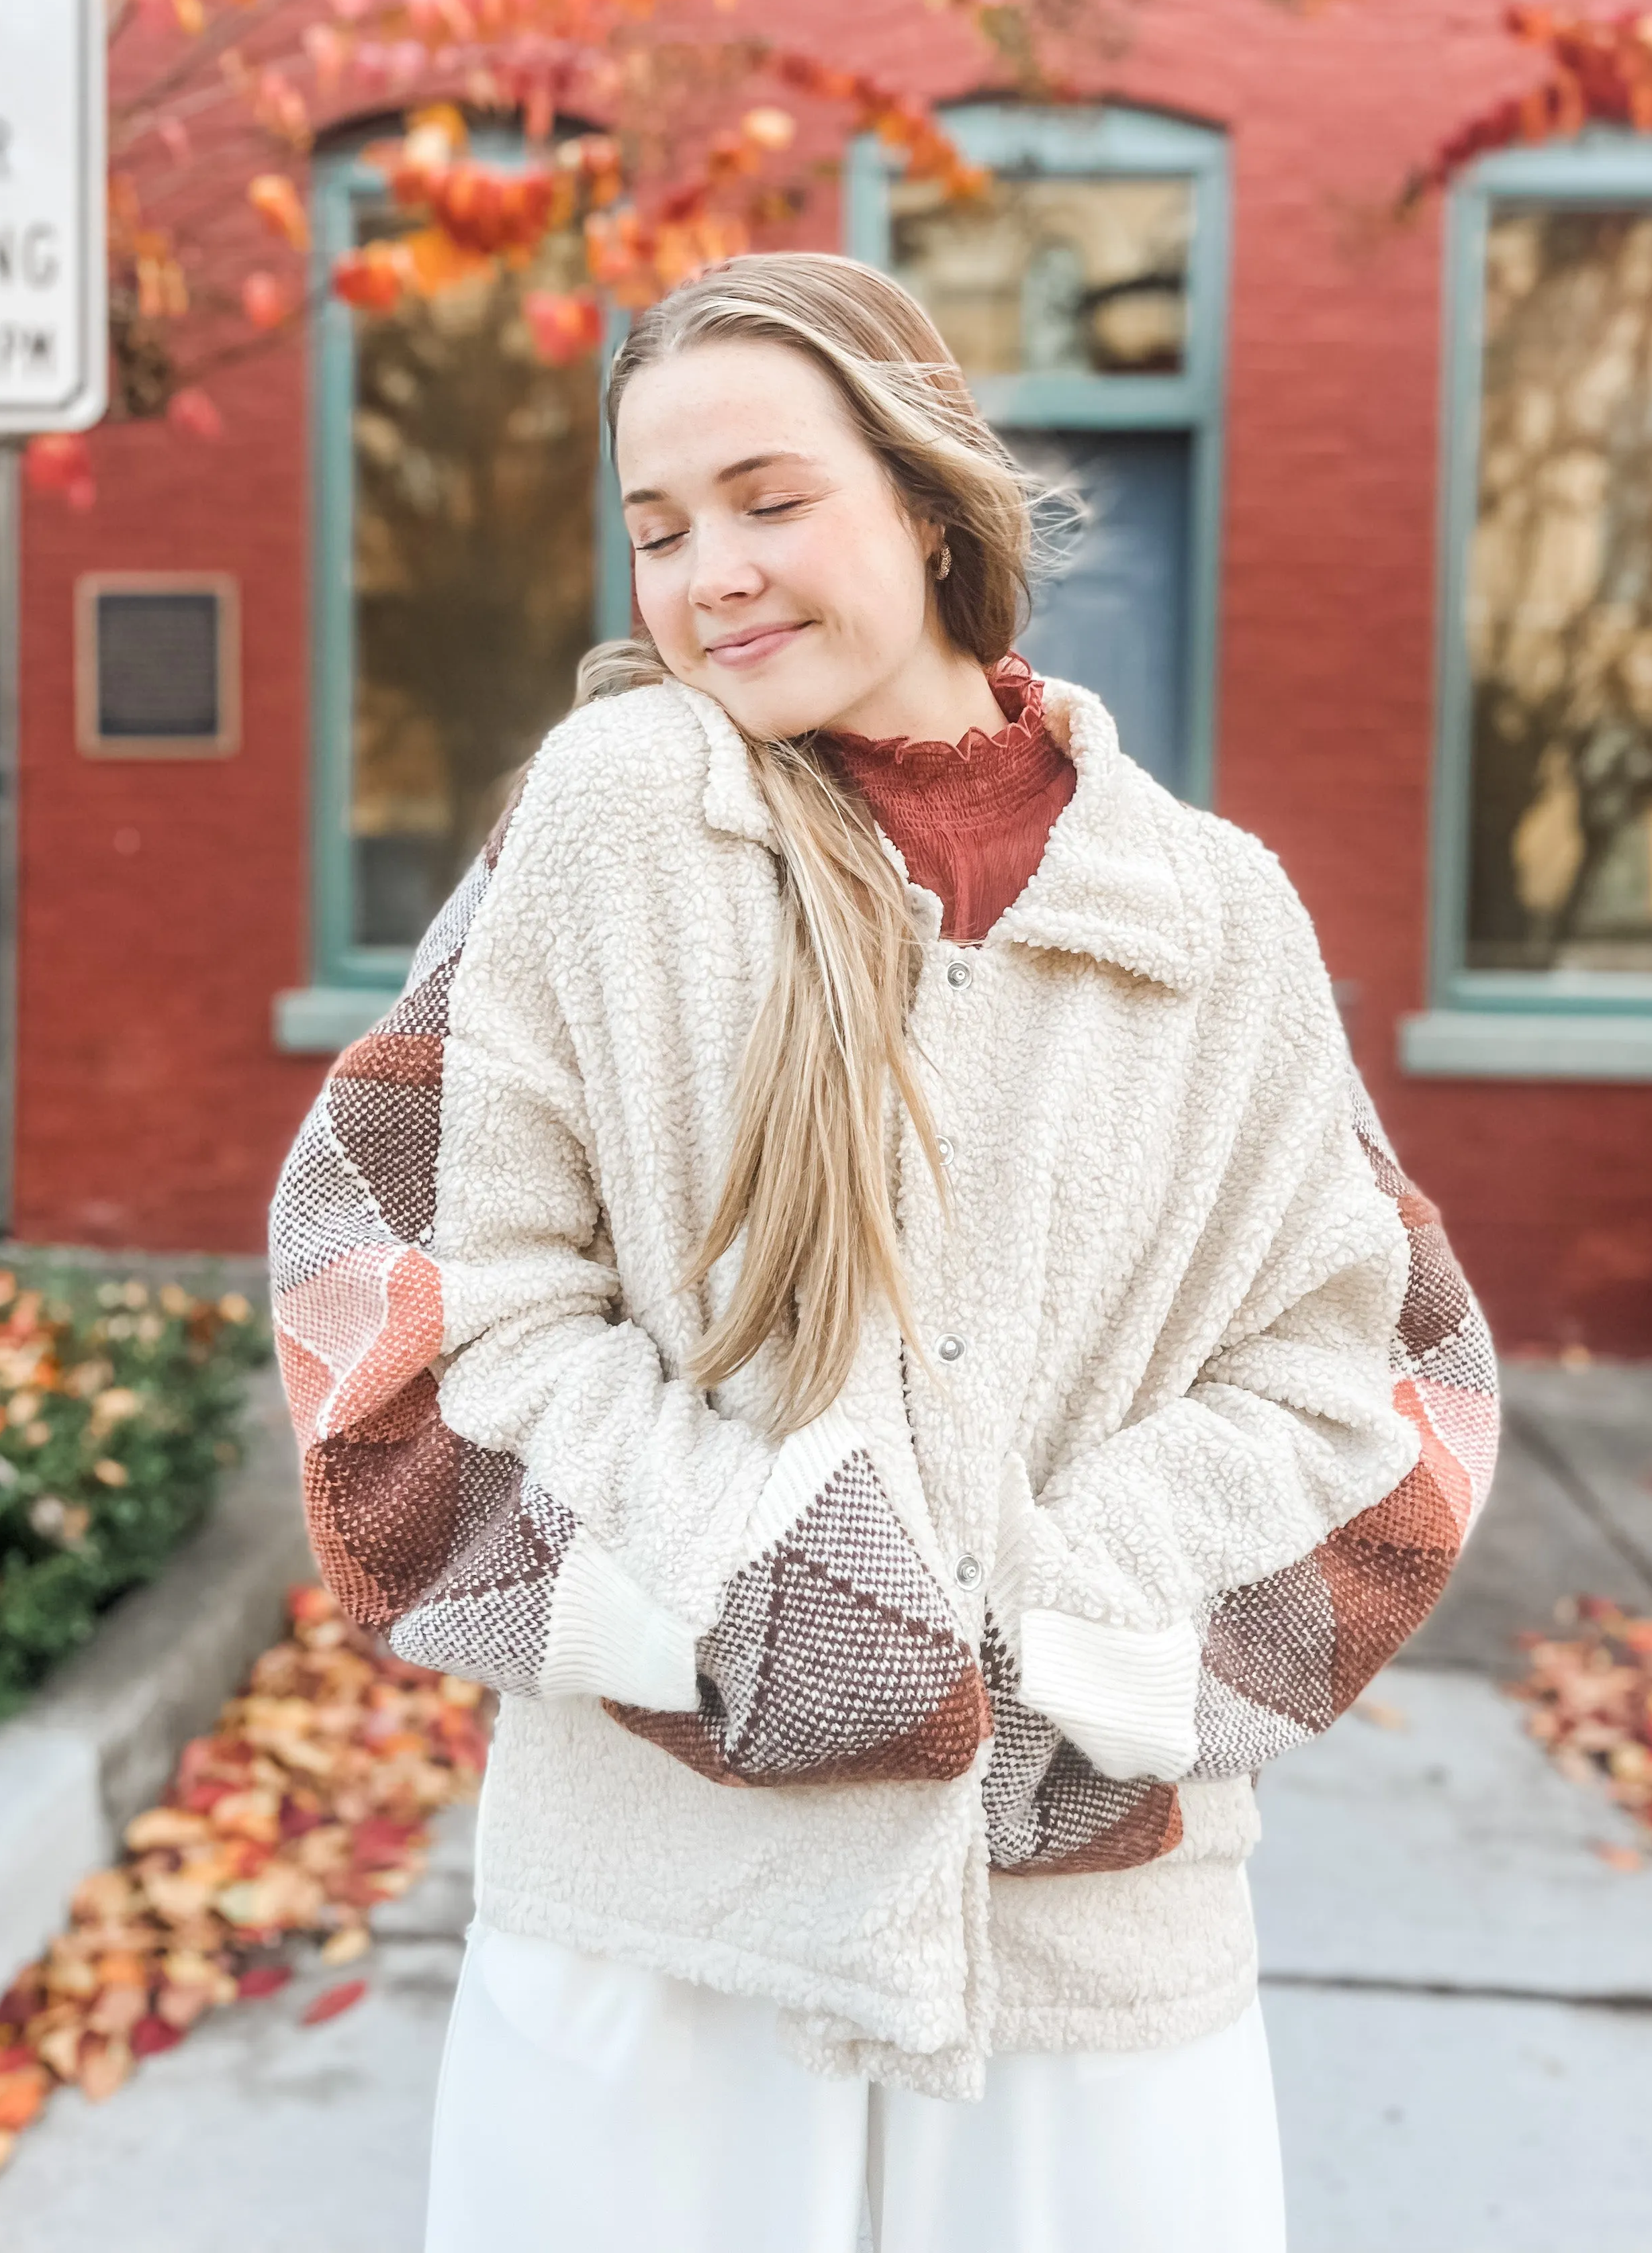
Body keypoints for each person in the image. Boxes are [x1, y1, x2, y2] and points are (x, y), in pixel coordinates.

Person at [271, 251, 1500, 2252]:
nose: (709, 575)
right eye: (657, 530)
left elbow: (1381, 1387)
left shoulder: (1218, 917)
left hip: (1090, 1949)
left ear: (928, 503)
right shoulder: (603, 828)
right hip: (666, 1915)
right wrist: (777, 1601)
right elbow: (396, 1281)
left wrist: (1049, 1652)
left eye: (772, 499)